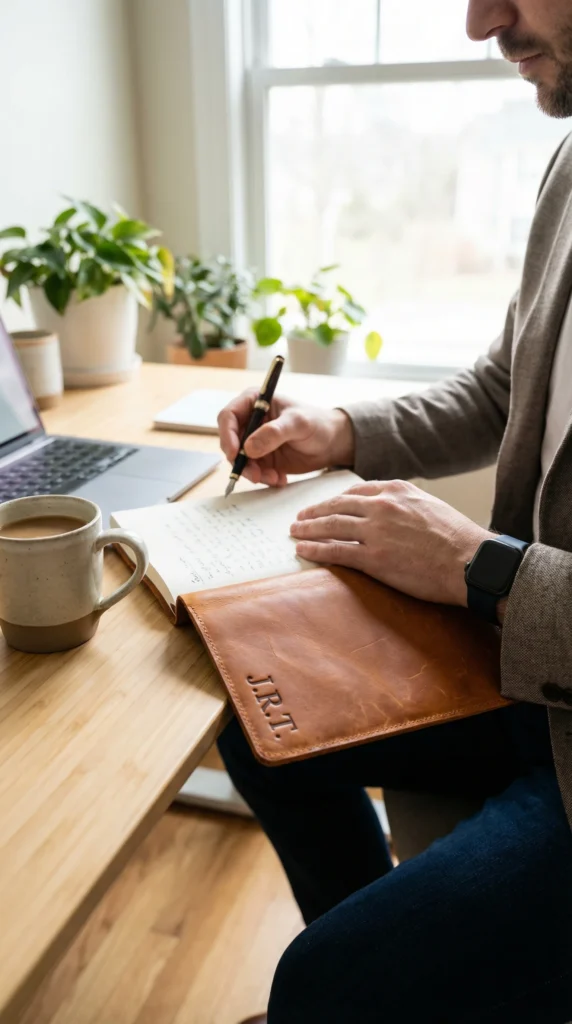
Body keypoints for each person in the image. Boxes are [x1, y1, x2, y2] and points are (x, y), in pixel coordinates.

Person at [217, 1, 572, 1020]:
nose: (478, 22)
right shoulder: (567, 164)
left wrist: (483, 567)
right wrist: (336, 428)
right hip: (523, 679)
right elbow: (505, 388)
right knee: (259, 716)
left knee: (321, 982)